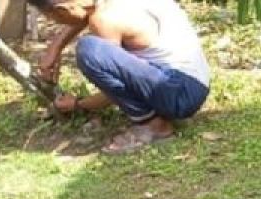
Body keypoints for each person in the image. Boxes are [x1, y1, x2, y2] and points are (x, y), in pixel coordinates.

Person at [29, 0, 210, 154]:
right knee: (100, 51)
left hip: (181, 93)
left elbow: (116, 89)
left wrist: (78, 104)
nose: (58, 23)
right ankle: (156, 113)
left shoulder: (104, 20)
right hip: (195, 81)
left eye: (54, 18)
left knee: (90, 51)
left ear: (62, 10)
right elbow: (82, 12)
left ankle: (153, 126)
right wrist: (56, 47)